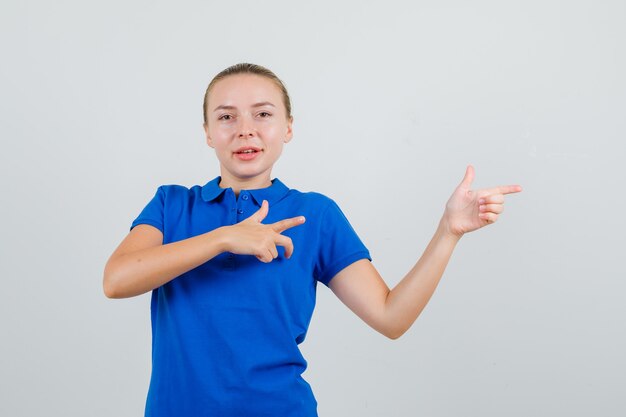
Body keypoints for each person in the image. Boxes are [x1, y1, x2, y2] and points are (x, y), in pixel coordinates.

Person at [103, 62, 522, 417]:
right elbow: (117, 280)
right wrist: (225, 238)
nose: (245, 130)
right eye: (227, 117)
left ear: (288, 127)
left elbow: (391, 318)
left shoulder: (316, 215)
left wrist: (447, 233)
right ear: (208, 132)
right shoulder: (172, 205)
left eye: (263, 115)